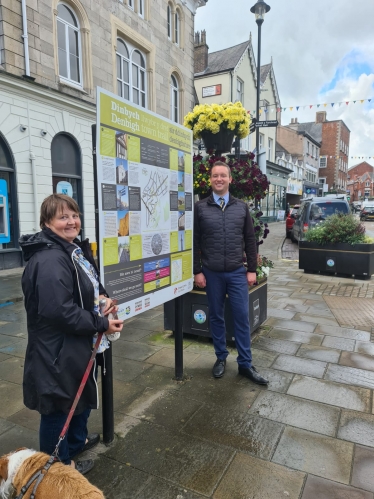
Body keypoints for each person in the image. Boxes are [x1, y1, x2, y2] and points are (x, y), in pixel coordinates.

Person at [19, 194, 124, 475]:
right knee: (57, 408)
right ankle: (57, 469)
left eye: (74, 215)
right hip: (57, 351)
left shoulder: (70, 249)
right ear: (46, 223)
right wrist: (100, 322)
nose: (71, 221)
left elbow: (88, 286)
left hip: (75, 343)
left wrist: (104, 299)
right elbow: (58, 311)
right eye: (63, 217)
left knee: (78, 395)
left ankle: (76, 443)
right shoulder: (50, 259)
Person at [193, 161, 269, 385]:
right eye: (215, 176)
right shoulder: (200, 207)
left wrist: (252, 270)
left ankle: (245, 363)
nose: (219, 179)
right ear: (210, 180)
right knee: (216, 317)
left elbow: (250, 239)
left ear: (230, 179)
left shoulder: (241, 207)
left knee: (242, 318)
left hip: (237, 272)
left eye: (223, 175)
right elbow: (195, 240)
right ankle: (220, 357)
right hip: (212, 272)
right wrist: (197, 270)